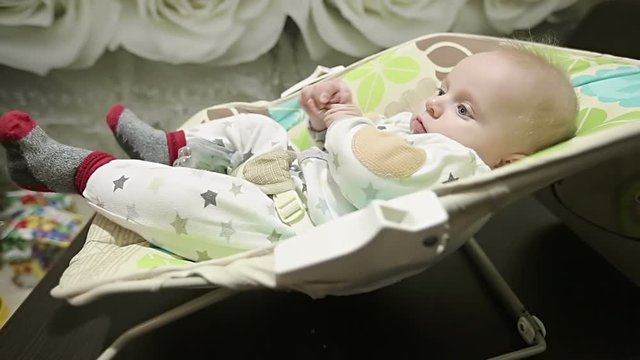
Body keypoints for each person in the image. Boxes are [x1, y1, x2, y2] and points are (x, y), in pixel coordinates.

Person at [0, 46, 578, 262]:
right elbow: (348, 148)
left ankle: (75, 170)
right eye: (445, 89)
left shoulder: (461, 166)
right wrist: (327, 116)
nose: (436, 104)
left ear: (506, 159)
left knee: (193, 202)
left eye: (464, 110)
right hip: (296, 176)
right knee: (255, 126)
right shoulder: (429, 133)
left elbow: (372, 168)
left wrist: (347, 123)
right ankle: (176, 148)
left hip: (286, 225)